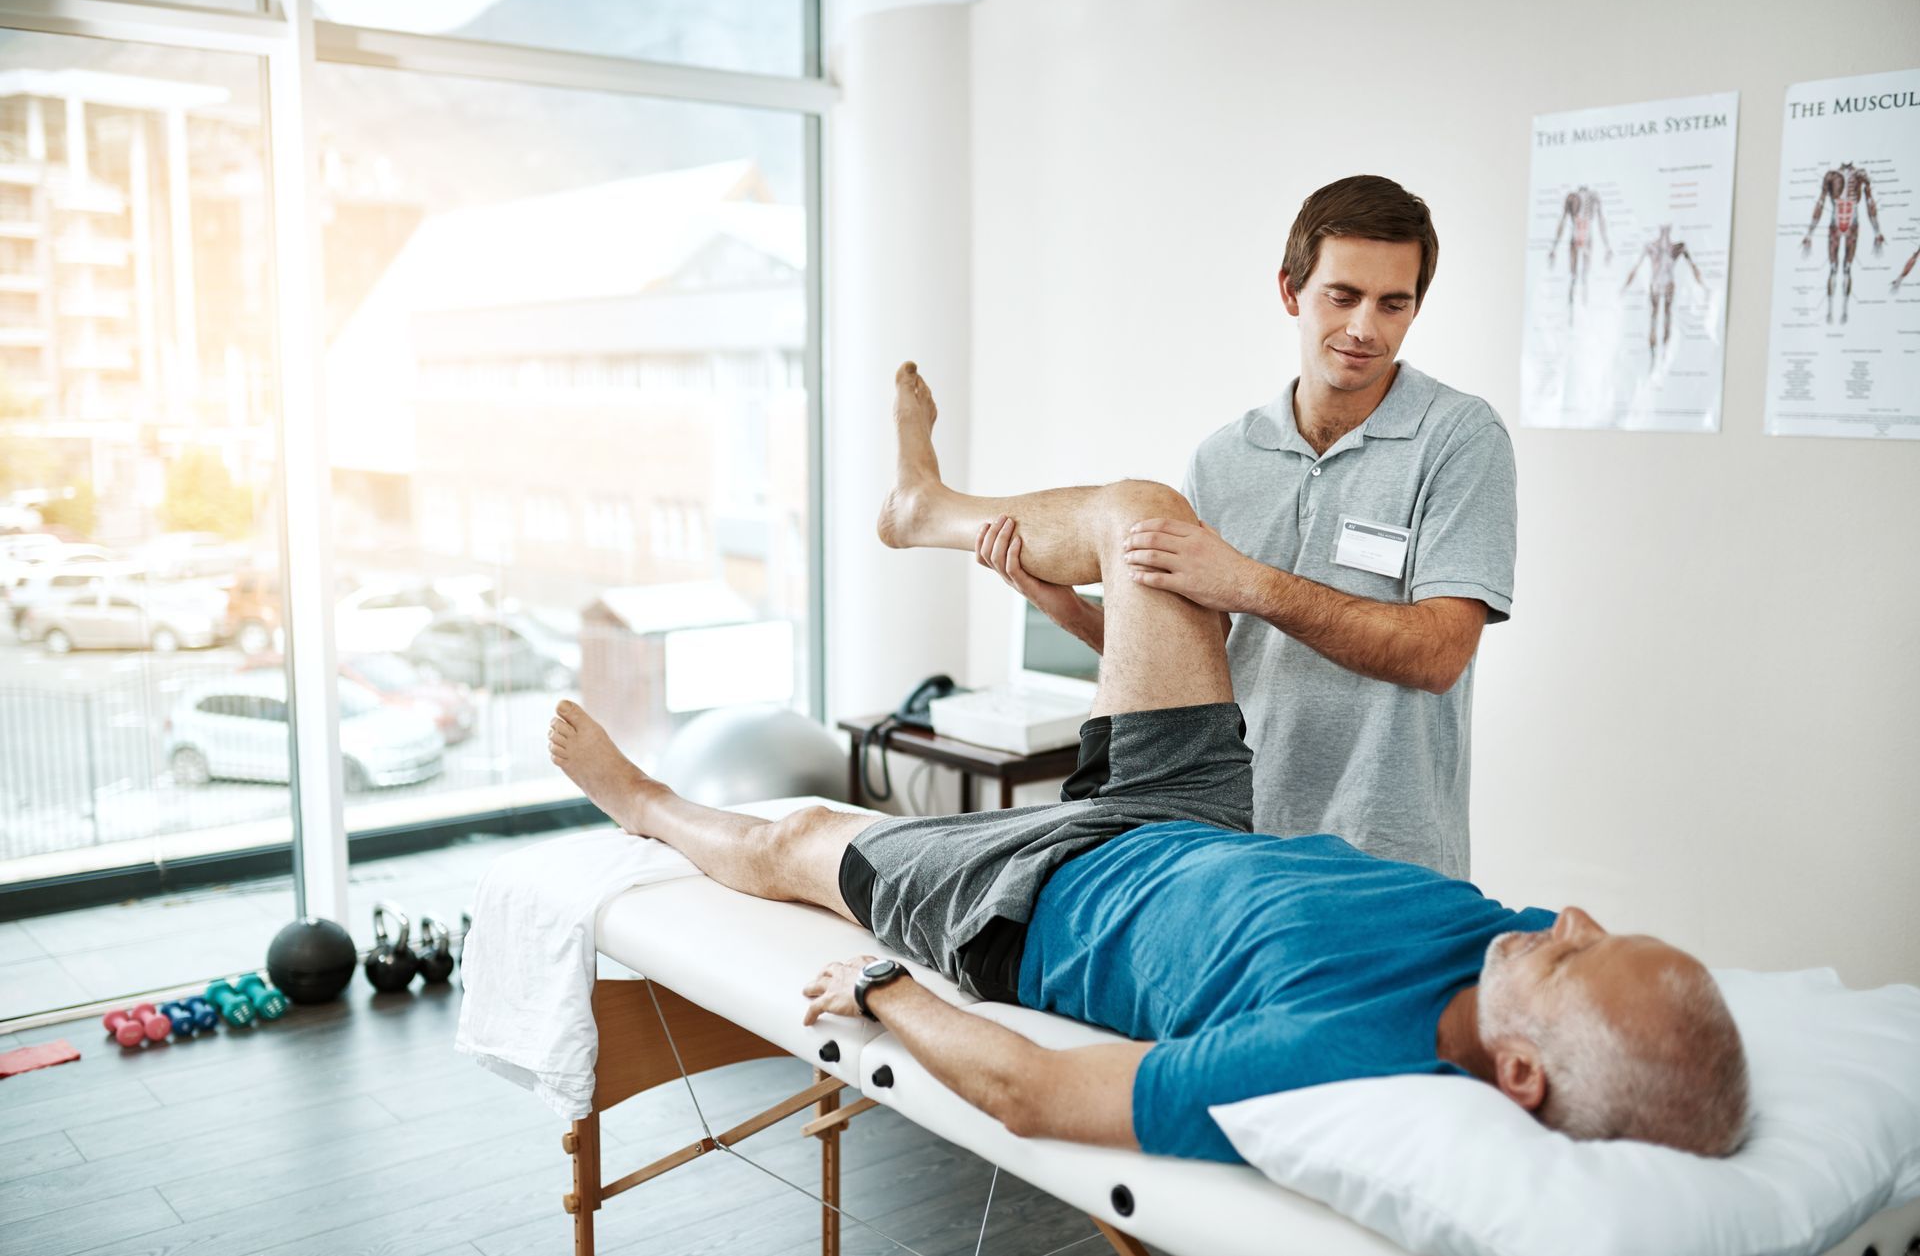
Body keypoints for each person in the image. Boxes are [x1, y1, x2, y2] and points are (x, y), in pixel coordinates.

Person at [547, 363, 1749, 1165]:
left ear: (1522, 1074)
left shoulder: (1333, 1061)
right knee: (1144, 517)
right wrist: (1060, 604)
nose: (1569, 918)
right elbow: (1629, 1029)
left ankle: (644, 801)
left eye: (1579, 952)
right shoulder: (1514, 947)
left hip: (1035, 902)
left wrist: (886, 993)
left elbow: (1033, 1095)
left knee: (798, 837)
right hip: (1198, 811)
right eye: (1595, 927)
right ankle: (926, 506)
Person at [977, 176, 1514, 879]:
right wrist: (1067, 610)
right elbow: (1200, 662)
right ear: (1291, 291)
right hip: (1238, 845)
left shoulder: (1460, 438)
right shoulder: (1224, 458)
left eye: (1393, 303)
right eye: (1342, 296)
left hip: (1389, 861)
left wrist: (1248, 582)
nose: (1365, 328)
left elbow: (1438, 655)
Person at [1802, 161, 1884, 325]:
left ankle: (1845, 311)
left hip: (1852, 225)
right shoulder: (1831, 176)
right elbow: (1820, 203)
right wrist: (1809, 233)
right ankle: (1830, 311)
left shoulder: (1860, 175)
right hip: (1836, 225)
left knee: (1847, 269)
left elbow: (1870, 202)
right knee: (1833, 269)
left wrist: (1877, 231)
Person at [1621, 223, 1705, 370]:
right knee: (1655, 318)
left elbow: (1693, 266)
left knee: (1665, 317)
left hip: (1666, 285)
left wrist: (1704, 287)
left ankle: (1663, 357)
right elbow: (1635, 268)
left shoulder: (1676, 247)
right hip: (1658, 284)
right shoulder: (1652, 246)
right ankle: (1654, 359)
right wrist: (1624, 288)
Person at [1549, 182, 1612, 314]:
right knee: (1575, 277)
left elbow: (1601, 221)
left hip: (1585, 238)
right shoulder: (1573, 197)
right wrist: (1554, 247)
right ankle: (1571, 312)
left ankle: (1583, 310)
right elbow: (1563, 221)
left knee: (1583, 277)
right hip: (1579, 238)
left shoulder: (1590, 197)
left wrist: (1607, 246)